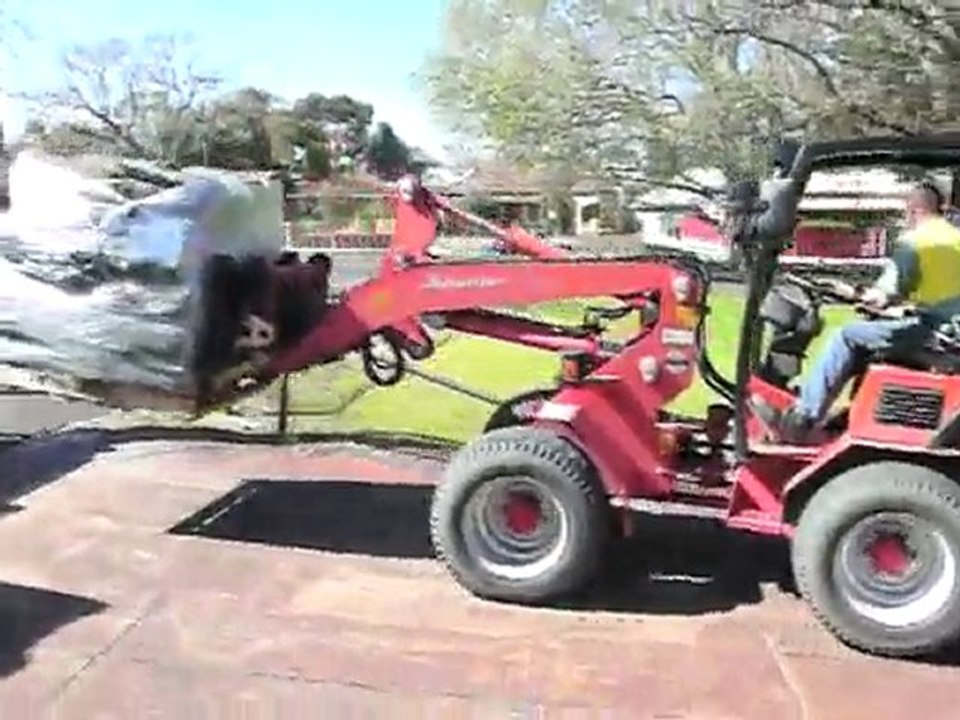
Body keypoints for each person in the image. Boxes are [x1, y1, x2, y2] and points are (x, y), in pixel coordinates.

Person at [760, 182, 960, 443]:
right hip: (947, 329)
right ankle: (846, 417)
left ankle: (802, 417)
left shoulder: (917, 242)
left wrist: (849, 292)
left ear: (914, 210)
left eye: (906, 212)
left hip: (940, 335)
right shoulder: (954, 237)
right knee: (871, 336)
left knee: (846, 336)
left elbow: (881, 295)